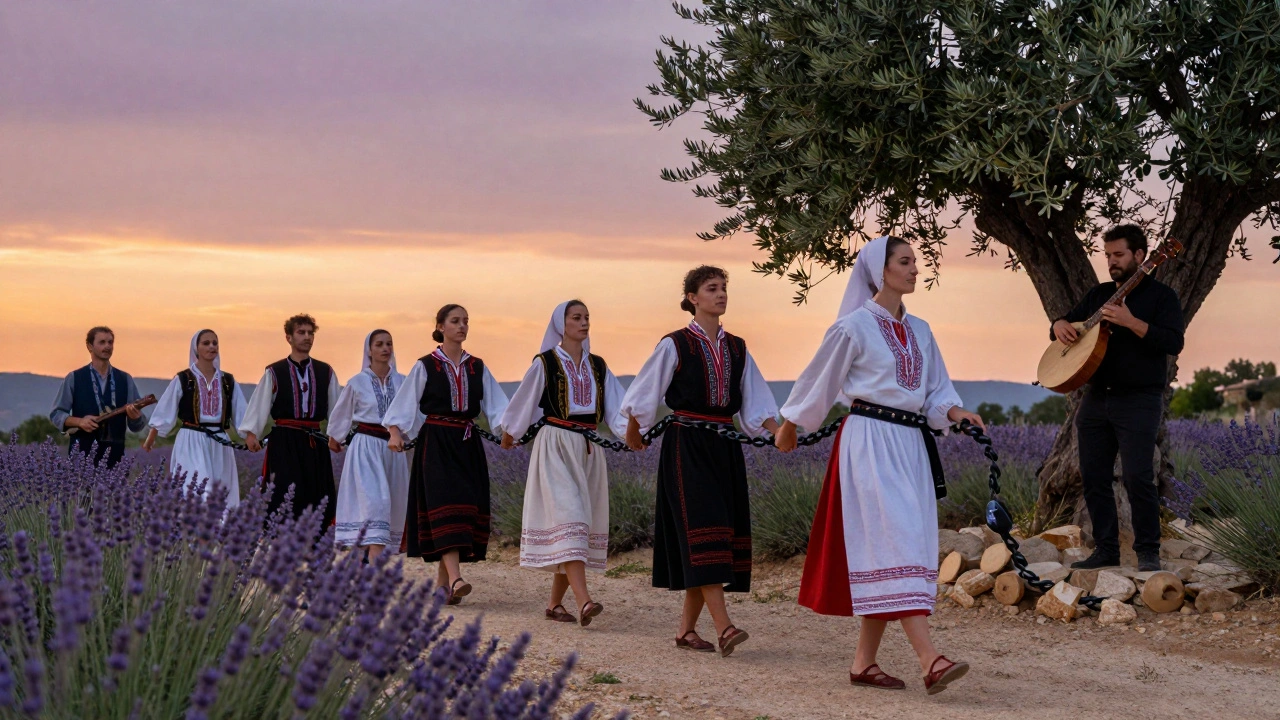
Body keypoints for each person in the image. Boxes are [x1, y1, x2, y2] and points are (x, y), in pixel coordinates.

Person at [775, 235, 983, 694]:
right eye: (905, 262)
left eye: (916, 262)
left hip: (911, 445)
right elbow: (820, 377)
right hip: (868, 442)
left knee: (896, 549)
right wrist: (792, 421)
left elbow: (935, 391)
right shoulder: (853, 327)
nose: (914, 270)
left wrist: (956, 412)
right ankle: (931, 660)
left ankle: (864, 663)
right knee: (896, 542)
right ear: (880, 270)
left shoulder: (922, 331)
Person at [619, 266, 779, 657]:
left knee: (717, 535)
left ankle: (686, 632)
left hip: (724, 445)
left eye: (724, 288)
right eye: (712, 289)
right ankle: (724, 627)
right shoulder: (674, 344)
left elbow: (757, 401)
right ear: (692, 298)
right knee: (702, 527)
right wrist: (634, 430)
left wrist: (779, 432)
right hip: (686, 443)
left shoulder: (738, 347)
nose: (721, 294)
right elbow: (646, 391)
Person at [1051, 224, 1185, 572]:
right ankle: (1106, 549)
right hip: (1096, 397)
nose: (1111, 261)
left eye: (1119, 254)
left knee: (1138, 476)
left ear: (1141, 257)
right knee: (1093, 476)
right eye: (1108, 255)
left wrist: (1130, 321)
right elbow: (1068, 320)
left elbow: (1172, 342)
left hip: (1140, 399)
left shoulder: (1162, 298)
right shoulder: (1098, 295)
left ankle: (1147, 553)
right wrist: (1058, 324)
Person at [499, 300, 629, 627]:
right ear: (562, 324)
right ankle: (585, 601)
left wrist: (634, 434)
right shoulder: (545, 363)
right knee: (570, 514)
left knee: (578, 523)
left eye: (587, 317)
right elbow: (525, 400)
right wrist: (511, 431)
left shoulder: (598, 366)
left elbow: (616, 408)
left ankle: (555, 603)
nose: (583, 323)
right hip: (555, 443)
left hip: (589, 447)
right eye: (576, 317)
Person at [383, 304, 508, 604]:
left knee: (462, 510)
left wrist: (508, 429)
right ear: (440, 326)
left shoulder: (477, 366)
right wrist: (395, 431)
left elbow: (497, 405)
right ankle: (456, 578)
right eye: (455, 321)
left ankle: (442, 587)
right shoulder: (425, 365)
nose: (462, 326)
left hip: (467, 443)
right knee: (443, 505)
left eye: (465, 321)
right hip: (436, 443)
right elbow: (404, 403)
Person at [238, 314, 341, 526]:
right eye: (301, 332)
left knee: (316, 492)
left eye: (310, 333)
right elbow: (260, 404)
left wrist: (337, 435)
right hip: (284, 441)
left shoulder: (325, 372)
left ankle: (314, 544)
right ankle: (280, 544)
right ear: (289, 337)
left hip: (315, 443)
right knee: (283, 491)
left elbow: (336, 409)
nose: (307, 337)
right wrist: (251, 434)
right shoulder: (275, 371)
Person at [327, 330, 409, 559]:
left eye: (389, 344)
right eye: (380, 344)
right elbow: (342, 412)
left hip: (394, 451)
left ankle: (366, 558)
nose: (385, 349)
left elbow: (411, 414)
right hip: (366, 449)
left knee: (391, 503)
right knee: (375, 502)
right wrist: (335, 437)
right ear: (369, 350)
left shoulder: (403, 382)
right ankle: (373, 571)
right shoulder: (357, 382)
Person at [142, 330, 248, 507]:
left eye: (215, 343)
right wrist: (150, 439)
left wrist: (250, 436)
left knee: (221, 492)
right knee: (194, 489)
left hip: (220, 442)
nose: (211, 346)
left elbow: (241, 413)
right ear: (196, 348)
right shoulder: (184, 379)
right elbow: (165, 410)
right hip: (190, 440)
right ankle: (192, 531)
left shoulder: (227, 381)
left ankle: (221, 533)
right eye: (206, 343)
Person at [50, 326, 148, 468]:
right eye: (102, 342)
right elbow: (56, 414)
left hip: (115, 457)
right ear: (89, 346)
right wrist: (79, 422)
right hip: (82, 456)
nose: (107, 346)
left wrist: (135, 417)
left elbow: (138, 425)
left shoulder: (125, 379)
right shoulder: (74, 378)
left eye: (110, 342)